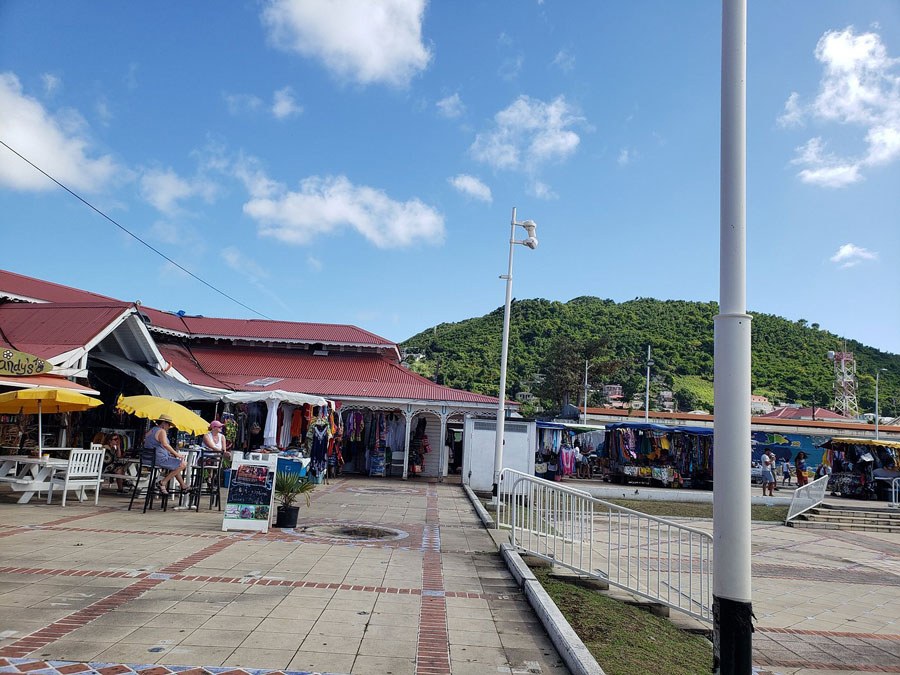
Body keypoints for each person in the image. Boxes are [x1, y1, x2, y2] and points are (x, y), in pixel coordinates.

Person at [145, 414, 187, 495]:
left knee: (175, 466)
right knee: (183, 464)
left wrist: (168, 454)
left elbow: (150, 442)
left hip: (147, 459)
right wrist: (177, 454)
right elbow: (165, 444)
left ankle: (183, 486)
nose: (169, 427)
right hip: (158, 459)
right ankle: (163, 482)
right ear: (163, 423)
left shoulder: (151, 430)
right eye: (168, 424)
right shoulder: (162, 431)